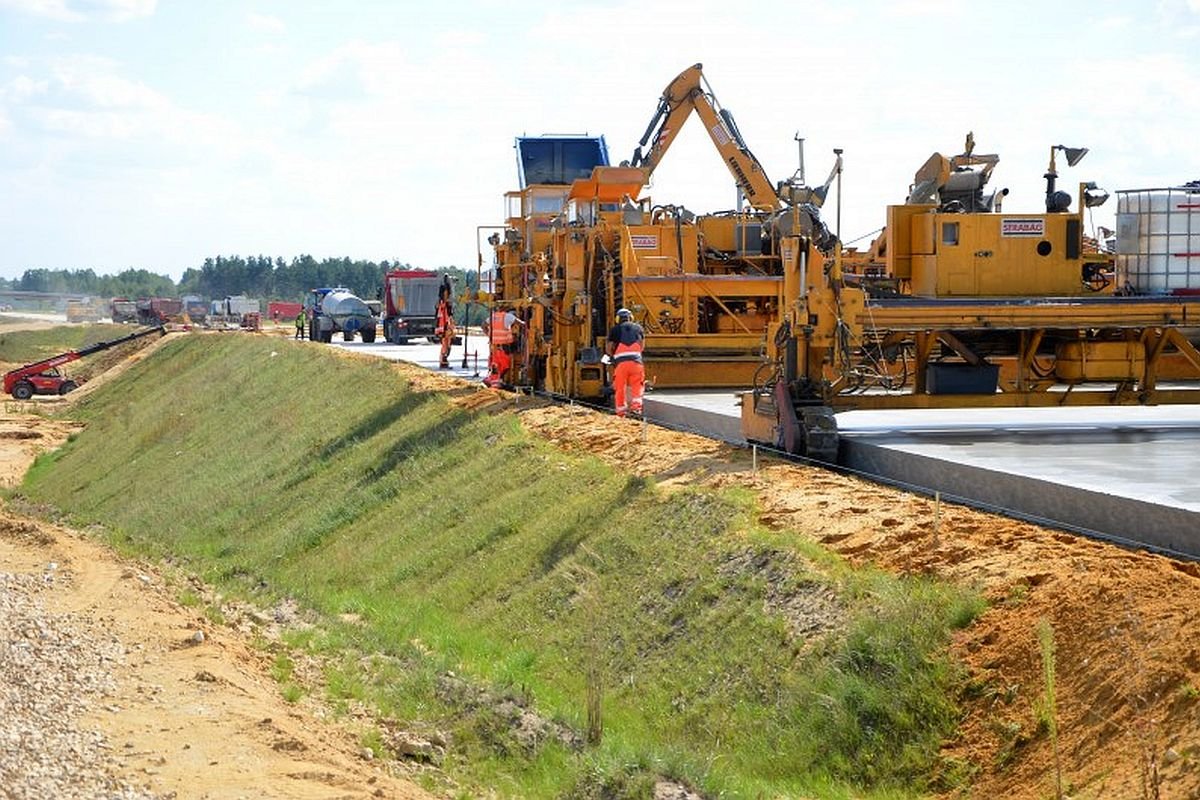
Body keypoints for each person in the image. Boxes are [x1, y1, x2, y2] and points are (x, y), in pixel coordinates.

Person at [606, 307, 645, 418]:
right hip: (636, 363)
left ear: (618, 319)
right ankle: (636, 408)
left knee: (620, 387)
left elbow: (609, 347)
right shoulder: (639, 328)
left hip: (621, 365)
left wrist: (612, 356)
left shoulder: (614, 330)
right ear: (631, 317)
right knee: (637, 385)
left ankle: (621, 412)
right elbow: (642, 345)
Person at [482, 306, 523, 388]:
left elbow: (483, 326)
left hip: (494, 345)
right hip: (504, 345)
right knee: (505, 365)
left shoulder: (493, 316)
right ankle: (496, 382)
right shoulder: (507, 316)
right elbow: (521, 323)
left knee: (495, 364)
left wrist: (490, 336)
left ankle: (493, 381)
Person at [435, 282, 455, 369]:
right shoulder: (440, 304)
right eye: (445, 293)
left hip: (448, 326)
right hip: (443, 327)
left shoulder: (448, 304)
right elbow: (440, 316)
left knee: (449, 344)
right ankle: (443, 360)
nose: (446, 295)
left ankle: (445, 359)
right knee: (444, 344)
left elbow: (450, 315)